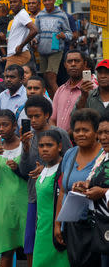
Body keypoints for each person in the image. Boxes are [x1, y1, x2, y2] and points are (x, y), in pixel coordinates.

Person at [19, 95, 72, 267]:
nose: (33, 120)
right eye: (30, 116)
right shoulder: (30, 136)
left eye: (37, 116)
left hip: (55, 197)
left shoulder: (60, 134)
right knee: (32, 242)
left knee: (55, 241)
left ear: (47, 114)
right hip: (35, 195)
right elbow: (24, 170)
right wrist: (26, 149)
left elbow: (70, 161)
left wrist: (49, 169)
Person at [54, 109, 103, 267]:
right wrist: (57, 224)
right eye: (77, 130)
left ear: (96, 133)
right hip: (73, 226)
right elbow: (63, 190)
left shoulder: (104, 155)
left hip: (98, 226)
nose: (81, 134)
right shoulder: (69, 154)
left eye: (86, 130)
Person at [0, 110, 28, 267]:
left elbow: (31, 176)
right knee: (6, 249)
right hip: (2, 203)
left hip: (23, 201)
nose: (1, 129)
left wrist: (17, 169)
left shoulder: (25, 146)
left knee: (29, 248)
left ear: (14, 126)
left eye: (5, 125)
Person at [72, 113, 109, 267]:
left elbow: (104, 189)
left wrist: (103, 192)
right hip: (102, 226)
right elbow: (94, 179)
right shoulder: (103, 156)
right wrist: (85, 185)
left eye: (107, 132)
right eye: (100, 132)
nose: (103, 137)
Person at [32, 130, 69, 267]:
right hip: (42, 232)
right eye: (41, 146)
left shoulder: (64, 170)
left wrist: (58, 226)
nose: (45, 149)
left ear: (59, 147)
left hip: (57, 233)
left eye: (49, 145)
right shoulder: (43, 170)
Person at [35, 0, 72, 96]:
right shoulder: (40, 15)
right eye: (44, 0)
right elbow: (37, 33)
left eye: (49, 0)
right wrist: (35, 40)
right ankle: (52, 103)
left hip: (56, 50)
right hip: (42, 51)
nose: (47, 2)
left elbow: (69, 34)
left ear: (54, 0)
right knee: (45, 80)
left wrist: (63, 35)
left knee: (51, 77)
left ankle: (61, 102)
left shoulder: (61, 15)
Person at [51, 50, 93, 133]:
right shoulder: (60, 90)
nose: (73, 64)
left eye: (77, 61)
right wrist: (58, 137)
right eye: (69, 61)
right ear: (65, 65)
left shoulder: (92, 89)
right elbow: (52, 119)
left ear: (85, 64)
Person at [6, 0, 38, 68]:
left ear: (21, 3)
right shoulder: (18, 15)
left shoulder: (22, 14)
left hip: (18, 55)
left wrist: (21, 46)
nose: (12, 4)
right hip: (14, 55)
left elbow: (34, 30)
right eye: (11, 2)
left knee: (9, 78)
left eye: (15, 2)